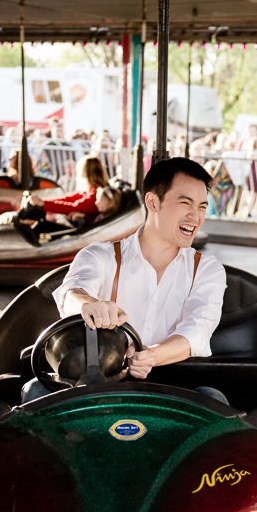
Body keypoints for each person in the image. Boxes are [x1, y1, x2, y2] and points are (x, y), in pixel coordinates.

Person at [51, 156, 226, 382]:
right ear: (153, 202)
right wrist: (89, 305)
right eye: (185, 203)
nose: (195, 216)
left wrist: (152, 356)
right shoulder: (101, 256)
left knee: (214, 399)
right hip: (102, 385)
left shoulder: (205, 269)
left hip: (173, 387)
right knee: (35, 392)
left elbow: (198, 330)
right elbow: (71, 294)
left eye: (201, 207)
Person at [19, 155, 116, 228]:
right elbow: (69, 199)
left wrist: (44, 204)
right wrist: (43, 201)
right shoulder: (89, 190)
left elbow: (73, 206)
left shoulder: (96, 193)